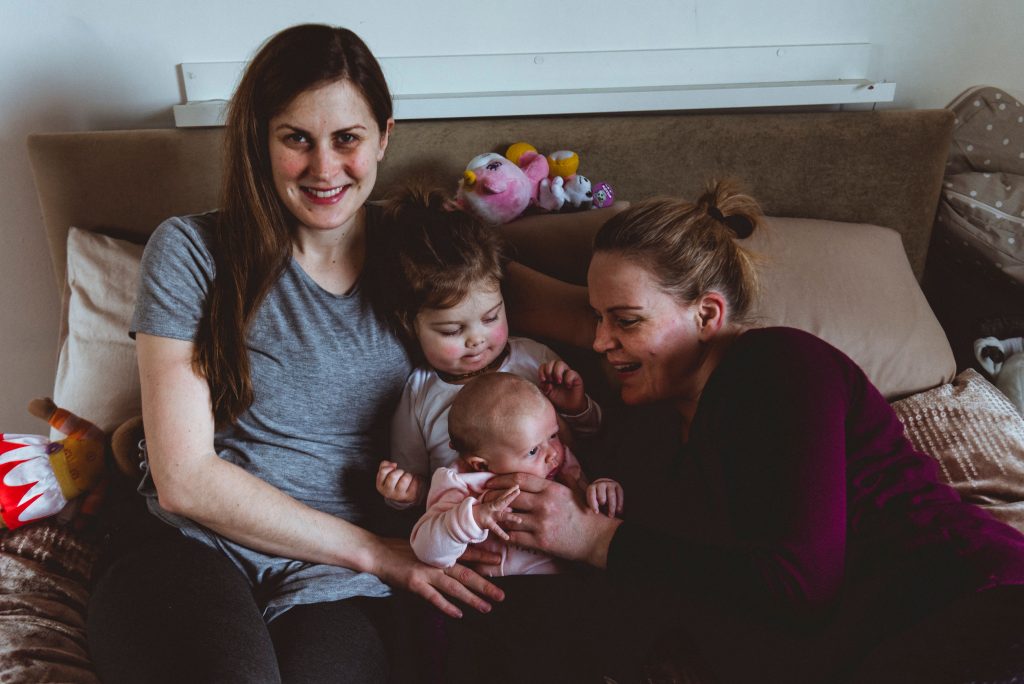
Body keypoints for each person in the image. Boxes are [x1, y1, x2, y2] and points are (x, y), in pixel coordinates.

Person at [85, 24, 503, 684]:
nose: (324, 168)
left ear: (384, 137)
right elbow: (185, 479)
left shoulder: (430, 255)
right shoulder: (193, 251)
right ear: (260, 140)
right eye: (296, 140)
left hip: (330, 587)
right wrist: (378, 553)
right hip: (189, 550)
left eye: (347, 139)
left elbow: (583, 304)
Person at [483, 182, 1024, 683]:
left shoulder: (782, 367)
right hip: (871, 648)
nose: (600, 340)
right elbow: (503, 298)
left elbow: (799, 585)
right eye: (596, 318)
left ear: (707, 315)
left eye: (624, 320)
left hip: (970, 603)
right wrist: (436, 231)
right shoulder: (654, 415)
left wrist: (595, 540)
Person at [374, 187, 603, 510]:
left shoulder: (534, 359)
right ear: (411, 326)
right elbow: (420, 486)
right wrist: (405, 493)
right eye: (453, 330)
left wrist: (576, 407)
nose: (477, 339)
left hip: (560, 516)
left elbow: (590, 436)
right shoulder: (419, 395)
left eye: (491, 317)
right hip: (475, 539)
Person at [410, 372, 622, 576]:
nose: (552, 453)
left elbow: (583, 497)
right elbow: (425, 550)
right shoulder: (462, 484)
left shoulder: (561, 462)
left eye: (553, 435)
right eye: (532, 451)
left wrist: (600, 489)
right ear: (481, 466)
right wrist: (471, 520)